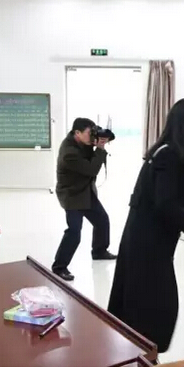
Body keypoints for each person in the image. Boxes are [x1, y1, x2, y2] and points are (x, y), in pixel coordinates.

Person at [107, 98, 184, 354]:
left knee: (140, 301)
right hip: (149, 245)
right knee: (156, 306)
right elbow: (165, 204)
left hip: (144, 239)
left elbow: (162, 201)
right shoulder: (170, 157)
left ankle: (140, 353)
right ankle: (142, 356)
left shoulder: (165, 152)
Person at [52, 117, 116, 281]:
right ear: (77, 133)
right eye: (89, 133)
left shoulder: (82, 142)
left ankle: (99, 251)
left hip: (85, 192)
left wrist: (101, 137)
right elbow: (91, 169)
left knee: (102, 220)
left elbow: (109, 137)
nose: (91, 136)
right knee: (74, 232)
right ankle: (59, 267)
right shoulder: (69, 152)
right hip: (72, 195)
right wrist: (100, 147)